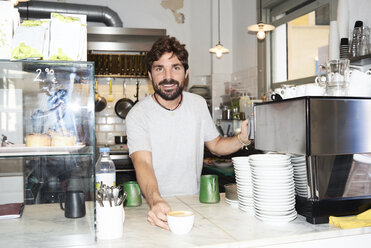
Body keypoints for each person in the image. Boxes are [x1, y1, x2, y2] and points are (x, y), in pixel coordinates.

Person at [126, 36, 250, 230]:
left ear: (186, 73)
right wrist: (156, 201)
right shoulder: (138, 114)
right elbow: (143, 162)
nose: (168, 76)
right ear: (150, 76)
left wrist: (241, 139)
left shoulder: (198, 104)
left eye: (175, 67)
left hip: (195, 204)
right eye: (159, 68)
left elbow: (216, 145)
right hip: (154, 208)